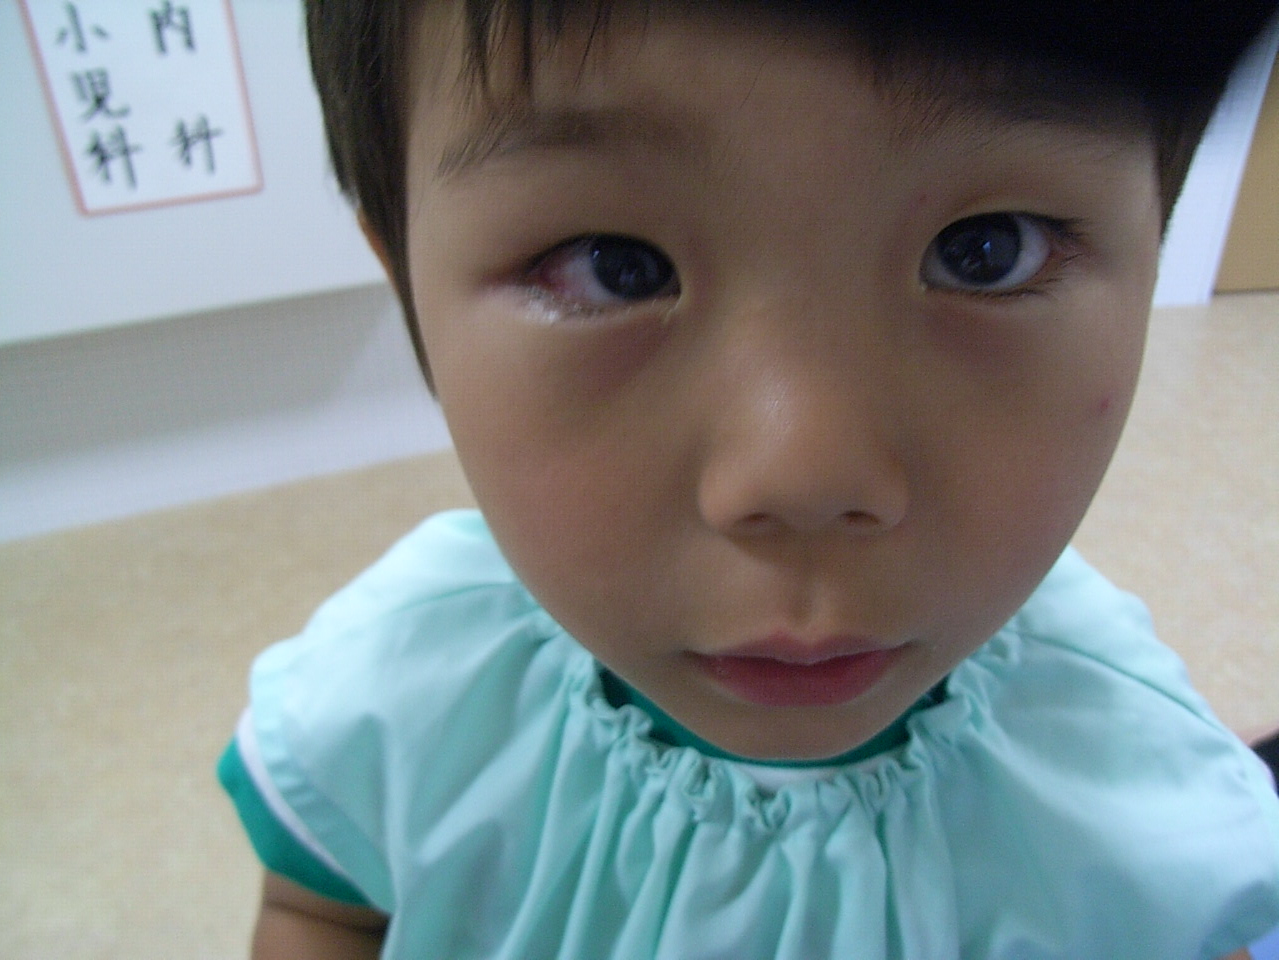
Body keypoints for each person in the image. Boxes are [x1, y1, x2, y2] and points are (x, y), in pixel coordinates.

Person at [219, 1, 1279, 957]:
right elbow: (325, 910)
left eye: (984, 250)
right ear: (407, 284)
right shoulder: (403, 700)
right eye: (612, 264)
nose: (804, 476)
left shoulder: (1140, 808)